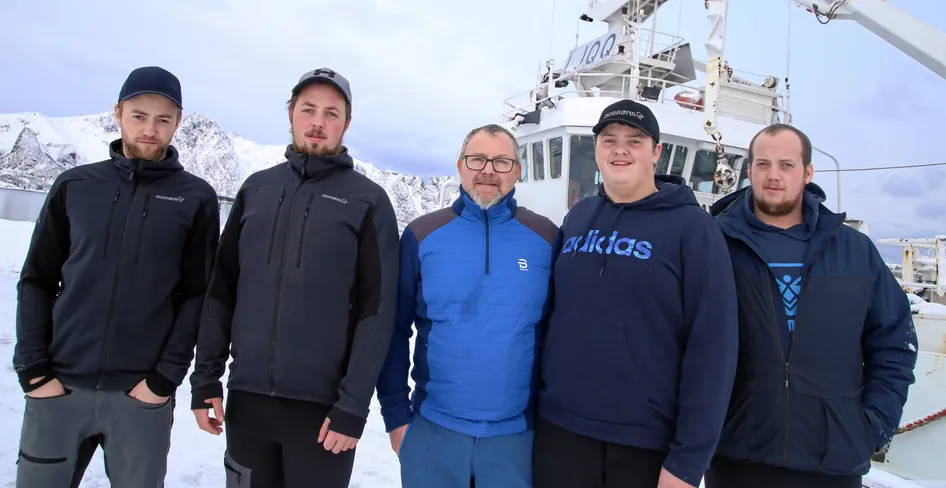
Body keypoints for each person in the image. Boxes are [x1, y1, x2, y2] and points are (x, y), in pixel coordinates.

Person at [188, 67, 400, 488]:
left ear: (346, 123)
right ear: (291, 114)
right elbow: (222, 291)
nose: (318, 122)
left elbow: (378, 313)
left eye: (331, 113)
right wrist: (206, 376)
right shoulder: (257, 190)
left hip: (323, 414)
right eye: (308, 110)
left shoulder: (368, 201)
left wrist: (353, 406)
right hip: (247, 405)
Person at [12, 66, 220, 487]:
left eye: (163, 119)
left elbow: (197, 295)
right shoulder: (75, 185)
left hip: (140, 397)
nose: (150, 128)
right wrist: (34, 371)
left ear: (177, 123)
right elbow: (36, 280)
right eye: (139, 115)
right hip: (59, 387)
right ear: (118, 113)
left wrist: (163, 380)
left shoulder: (195, 197)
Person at [533, 99, 739, 488]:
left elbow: (713, 348)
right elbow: (549, 318)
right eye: (609, 140)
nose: (620, 149)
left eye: (635, 140)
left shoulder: (693, 229)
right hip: (560, 429)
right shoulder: (578, 217)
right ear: (596, 149)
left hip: (645, 444)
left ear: (656, 152)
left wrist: (687, 461)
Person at [704, 123, 918, 488]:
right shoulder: (713, 244)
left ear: (807, 173)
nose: (774, 176)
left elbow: (895, 343)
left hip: (833, 459)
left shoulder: (854, 250)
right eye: (763, 164)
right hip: (736, 454)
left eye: (786, 165)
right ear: (749, 170)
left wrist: (874, 426)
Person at [374, 123, 557, 488]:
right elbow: (393, 330)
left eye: (502, 162)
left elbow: (558, 333)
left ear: (518, 172)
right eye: (477, 159)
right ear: (460, 165)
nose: (488, 170)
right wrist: (396, 417)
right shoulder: (422, 234)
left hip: (517, 439)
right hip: (433, 433)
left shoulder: (546, 238)